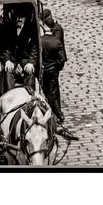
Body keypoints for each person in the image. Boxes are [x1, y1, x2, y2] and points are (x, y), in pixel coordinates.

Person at [40, 9, 73, 137]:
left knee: (51, 91)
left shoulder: (57, 30)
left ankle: (57, 112)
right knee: (53, 90)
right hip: (53, 67)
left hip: (49, 66)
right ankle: (57, 111)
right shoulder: (55, 31)